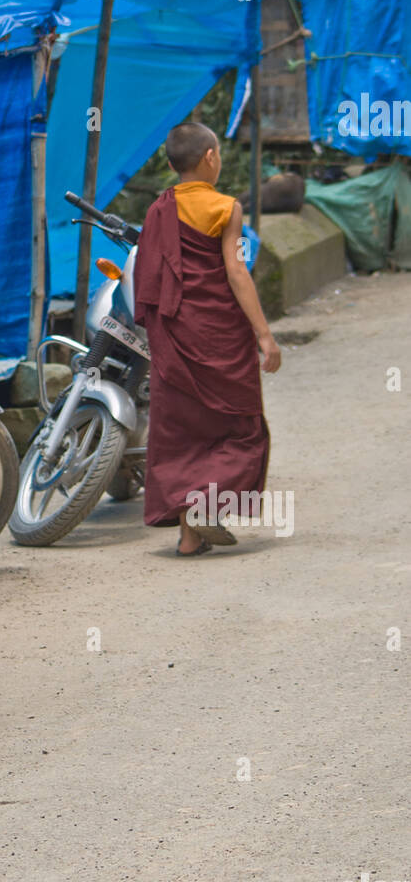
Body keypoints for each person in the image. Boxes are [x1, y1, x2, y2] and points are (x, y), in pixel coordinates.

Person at [133, 122, 281, 557]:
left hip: (174, 339)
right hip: (219, 337)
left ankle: (189, 535)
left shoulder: (159, 210)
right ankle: (204, 505)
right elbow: (236, 272)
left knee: (180, 434)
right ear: (210, 157)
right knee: (242, 430)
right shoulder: (225, 209)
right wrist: (265, 335)